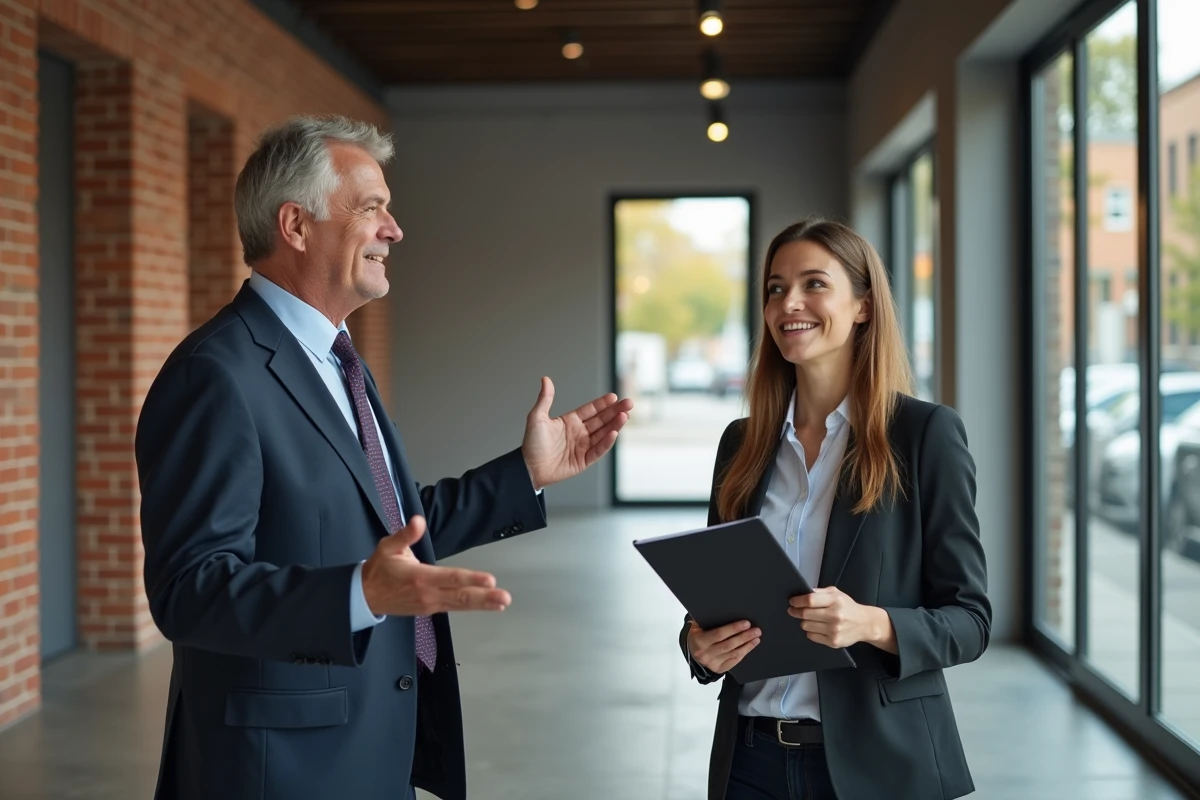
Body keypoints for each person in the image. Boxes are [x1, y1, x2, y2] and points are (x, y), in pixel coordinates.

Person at [135, 114, 632, 800]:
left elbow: (394, 524)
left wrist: (526, 475)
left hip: (372, 743)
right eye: (372, 209)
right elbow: (188, 589)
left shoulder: (338, 360)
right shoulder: (215, 375)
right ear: (296, 225)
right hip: (279, 771)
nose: (394, 230)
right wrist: (357, 595)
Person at [679, 218, 990, 800]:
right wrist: (699, 648)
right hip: (750, 763)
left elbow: (970, 620)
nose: (789, 303)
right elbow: (713, 604)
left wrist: (870, 623)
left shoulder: (924, 436)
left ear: (863, 306)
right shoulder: (740, 443)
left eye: (814, 283)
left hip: (878, 766)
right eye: (775, 288)